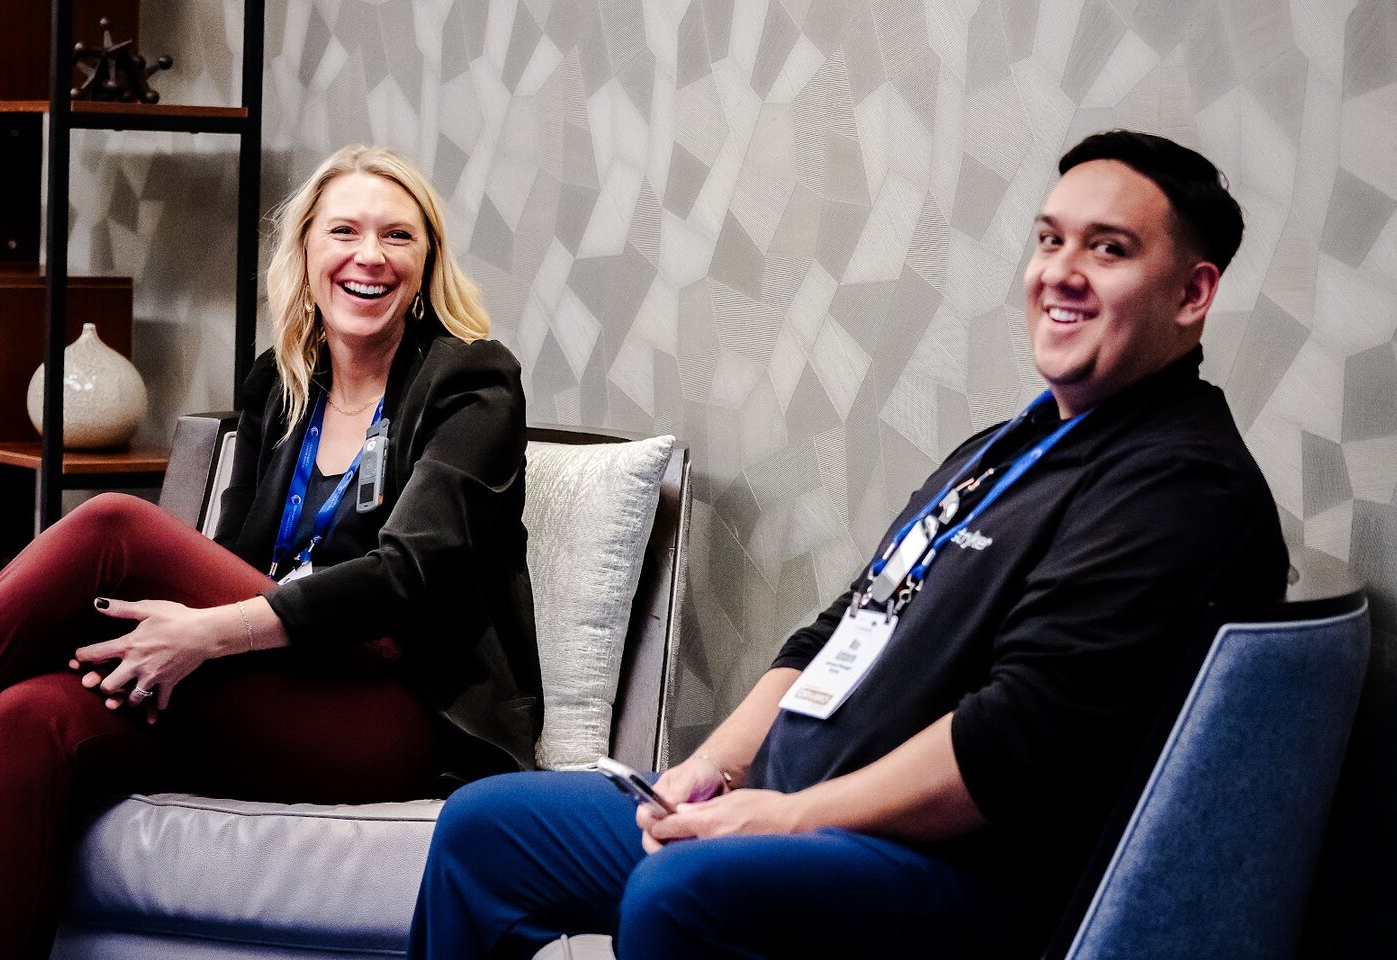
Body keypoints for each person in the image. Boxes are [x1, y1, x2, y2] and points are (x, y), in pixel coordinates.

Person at [408, 130, 1290, 959]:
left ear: (1192, 294)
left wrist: (786, 820)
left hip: (959, 870)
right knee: (487, 830)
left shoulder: (1180, 487)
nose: (1062, 273)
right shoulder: (1003, 447)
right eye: (1050, 240)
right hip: (799, 813)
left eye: (1108, 249)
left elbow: (1013, 744)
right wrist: (713, 770)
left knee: (682, 891)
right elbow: (838, 629)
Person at [0, 144, 541, 960]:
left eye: (398, 236)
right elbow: (231, 556)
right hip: (278, 680)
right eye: (344, 231)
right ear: (305, 251)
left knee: (113, 526)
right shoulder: (280, 382)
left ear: (427, 265)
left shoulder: (472, 383)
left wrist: (209, 634)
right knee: (29, 714)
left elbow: (411, 574)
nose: (370, 255)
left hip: (400, 705)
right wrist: (179, 639)